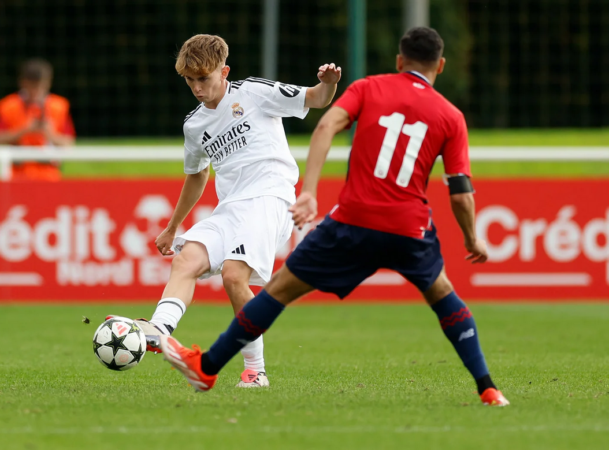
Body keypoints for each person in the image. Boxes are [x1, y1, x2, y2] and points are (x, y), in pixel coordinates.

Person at [158, 27, 510, 406]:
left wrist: (308, 190)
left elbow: (324, 121)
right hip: (409, 225)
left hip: (351, 219)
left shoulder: (369, 88)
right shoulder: (451, 115)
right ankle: (488, 387)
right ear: (441, 65)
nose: (196, 87)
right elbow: (460, 192)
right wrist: (472, 238)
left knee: (272, 291)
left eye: (202, 78)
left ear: (398, 61)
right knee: (444, 297)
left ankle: (214, 367)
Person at [111, 34, 341, 388]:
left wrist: (327, 84)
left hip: (270, 196)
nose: (197, 88)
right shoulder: (194, 125)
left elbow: (316, 99)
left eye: (204, 79)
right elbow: (197, 175)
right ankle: (158, 330)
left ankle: (255, 370)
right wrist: (173, 227)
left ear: (224, 71)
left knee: (234, 276)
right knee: (185, 259)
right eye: (190, 81)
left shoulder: (253, 93)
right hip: (230, 208)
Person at [0, 58, 75, 181]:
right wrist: (24, 130)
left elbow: (69, 143)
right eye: (32, 87)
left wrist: (50, 134)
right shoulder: (8, 106)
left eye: (40, 86)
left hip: (50, 175)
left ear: (48, 83)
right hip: (17, 174)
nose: (36, 92)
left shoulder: (59, 106)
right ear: (23, 83)